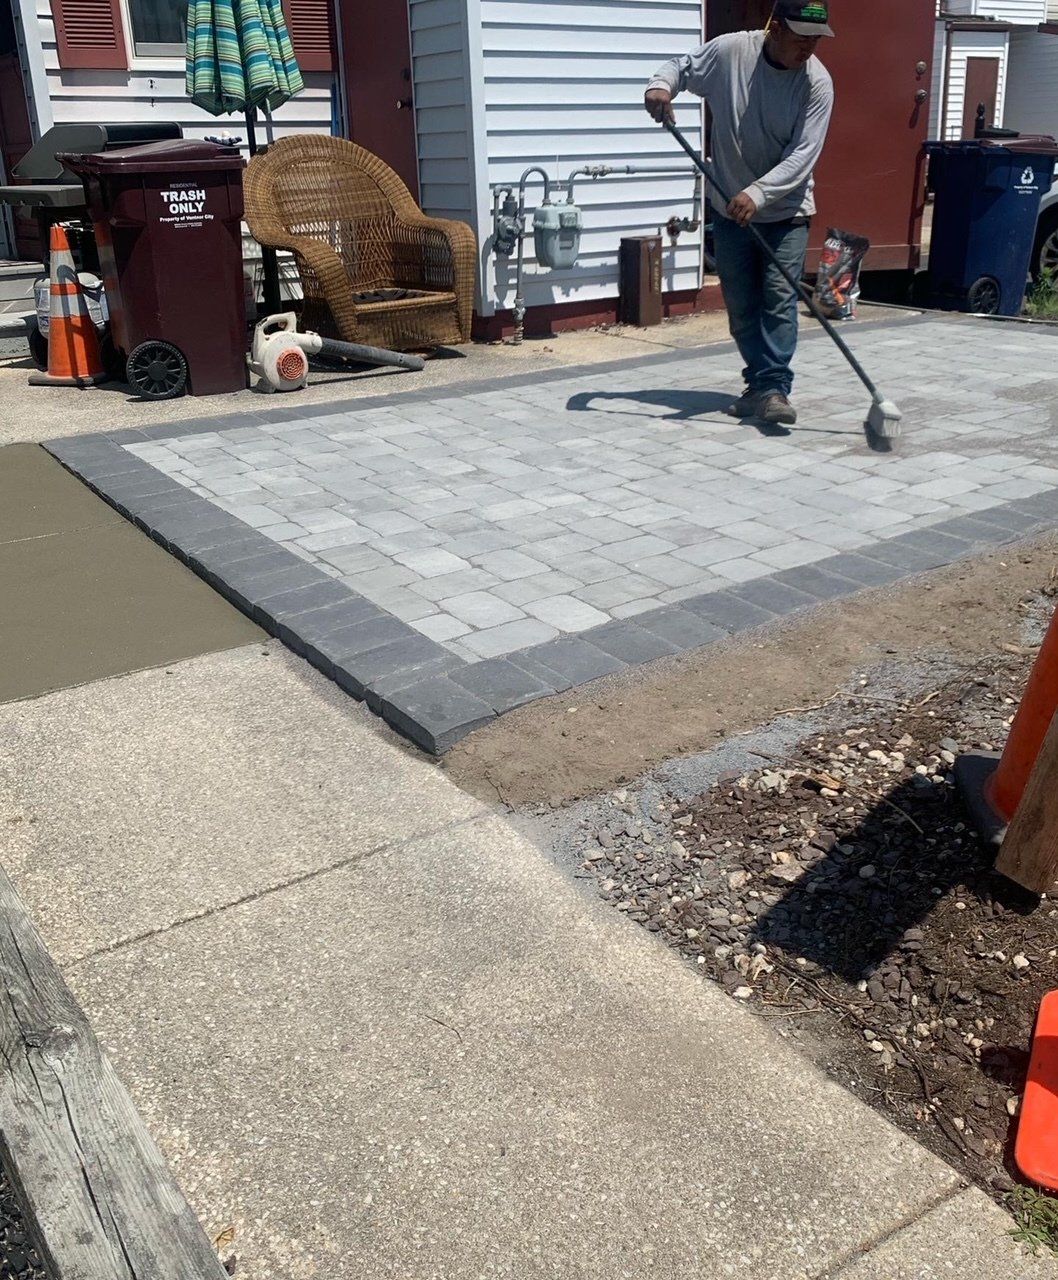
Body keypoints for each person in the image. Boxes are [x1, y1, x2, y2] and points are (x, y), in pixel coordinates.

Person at [644, 1, 835, 425]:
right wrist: (660, 87)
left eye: (816, 39)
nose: (809, 48)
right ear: (775, 28)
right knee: (742, 305)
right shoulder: (731, 53)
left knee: (778, 298)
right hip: (729, 209)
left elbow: (803, 154)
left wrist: (758, 193)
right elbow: (680, 67)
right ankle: (759, 385)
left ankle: (774, 387)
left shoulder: (817, 84)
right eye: (801, 37)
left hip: (785, 212)